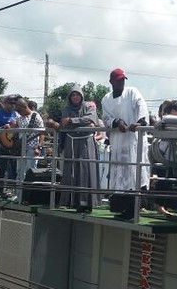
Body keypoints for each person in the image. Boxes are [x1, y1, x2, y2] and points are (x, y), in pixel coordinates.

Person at [46, 85, 100, 213]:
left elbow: (91, 119)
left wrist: (71, 120)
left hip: (87, 142)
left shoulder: (89, 106)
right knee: (71, 171)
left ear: (81, 96)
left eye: (77, 95)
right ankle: (70, 202)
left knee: (86, 171)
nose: (75, 97)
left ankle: (88, 203)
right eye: (73, 95)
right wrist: (57, 123)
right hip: (71, 142)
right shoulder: (65, 109)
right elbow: (57, 122)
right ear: (70, 97)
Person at [101, 68, 150, 196]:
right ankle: (120, 203)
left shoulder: (132, 92)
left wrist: (140, 122)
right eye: (118, 80)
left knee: (136, 171)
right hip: (118, 143)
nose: (121, 82)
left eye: (123, 80)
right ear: (111, 82)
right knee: (120, 174)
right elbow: (106, 118)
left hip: (133, 141)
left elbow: (141, 105)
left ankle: (139, 205)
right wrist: (117, 122)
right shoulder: (106, 99)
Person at [10, 98, 45, 200]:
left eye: (18, 110)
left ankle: (29, 196)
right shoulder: (20, 118)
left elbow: (42, 132)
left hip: (33, 147)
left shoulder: (35, 116)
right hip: (22, 147)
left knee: (31, 172)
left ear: (24, 107)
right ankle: (18, 195)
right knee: (20, 172)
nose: (17, 112)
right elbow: (14, 128)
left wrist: (39, 146)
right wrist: (11, 124)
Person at [0, 95, 21, 197]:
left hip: (13, 146)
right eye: (11, 103)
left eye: (14, 103)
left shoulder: (17, 114)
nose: (13, 105)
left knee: (13, 168)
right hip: (1, 145)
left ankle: (12, 190)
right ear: (5, 103)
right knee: (1, 168)